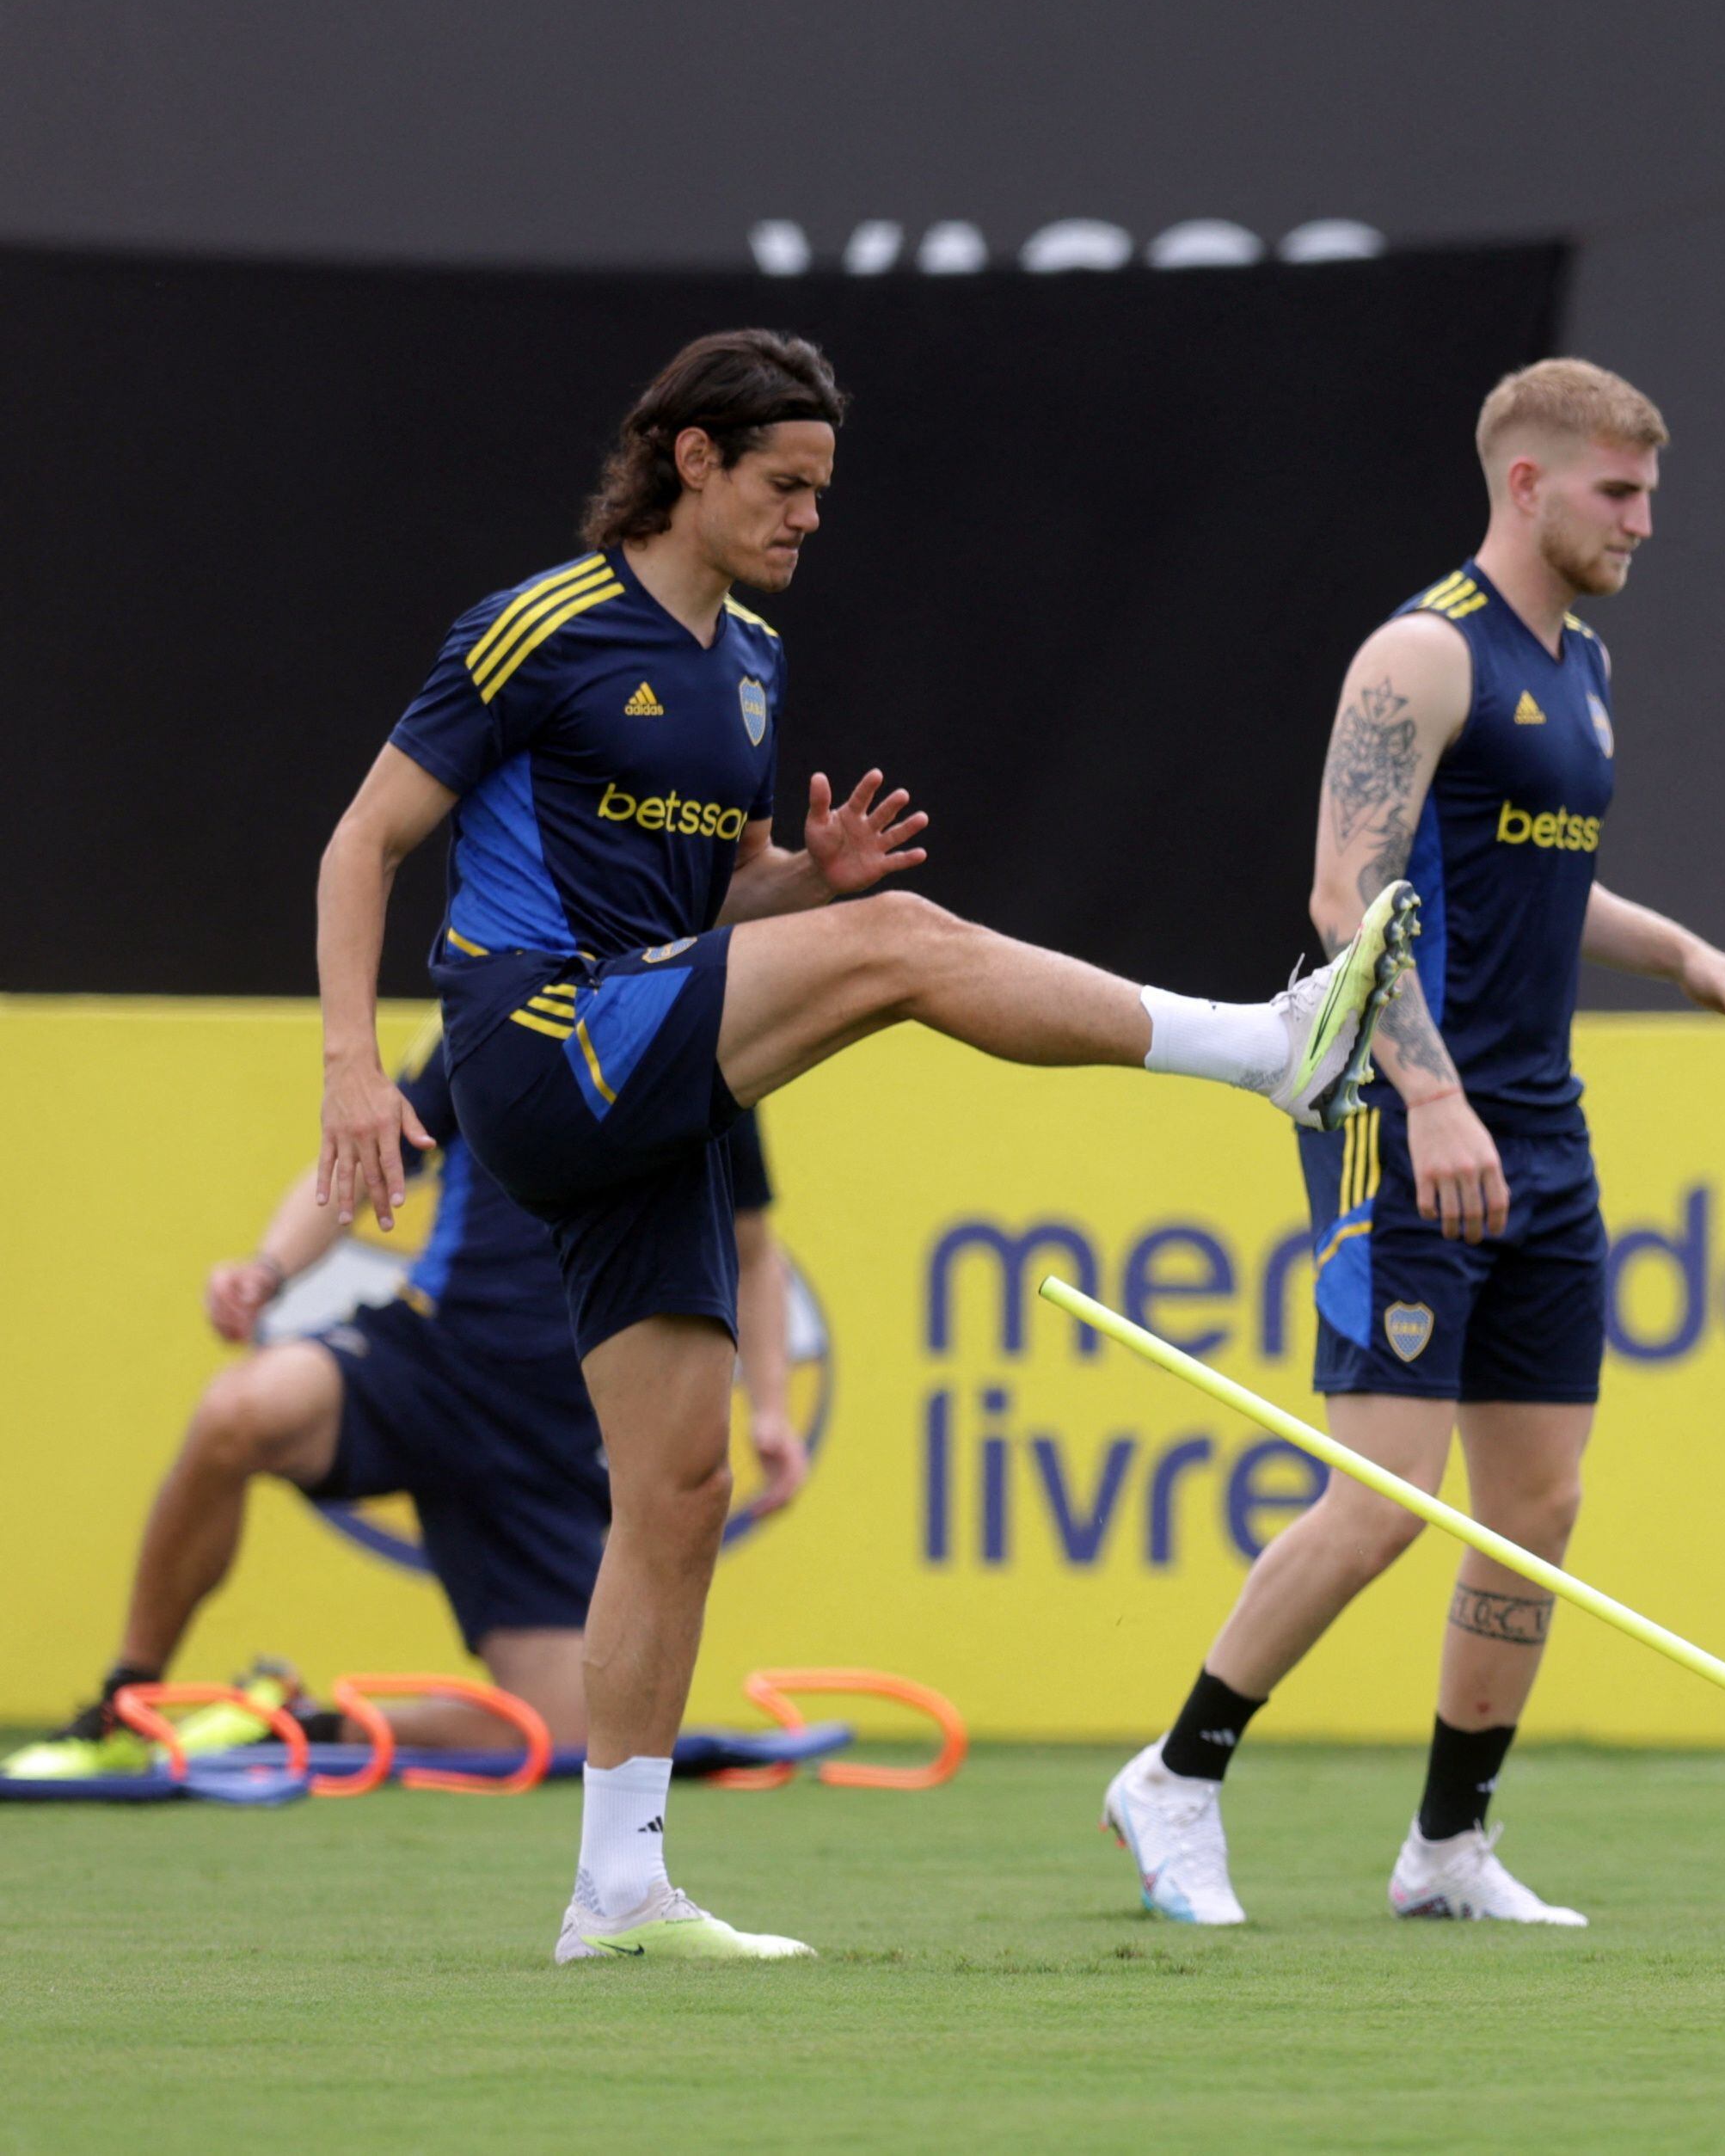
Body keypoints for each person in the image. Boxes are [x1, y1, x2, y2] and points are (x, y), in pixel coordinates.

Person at [312, 329, 1416, 1964]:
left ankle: (615, 1890)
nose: (809, 516)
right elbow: (366, 838)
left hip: (650, 1065)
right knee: (902, 945)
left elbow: (698, 907)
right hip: (539, 1042)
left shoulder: (747, 661)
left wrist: (792, 883)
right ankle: (1267, 1048)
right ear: (688, 457)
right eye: (782, 483)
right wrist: (350, 1066)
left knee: (676, 1489)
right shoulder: (539, 623)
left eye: (823, 491)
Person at [1101, 359, 1725, 1929]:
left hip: (1538, 1127)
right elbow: (1343, 899)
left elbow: (1551, 883)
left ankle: (1446, 1844)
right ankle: (1175, 1774)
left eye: (1648, 493)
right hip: (1397, 1115)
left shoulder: (1589, 664)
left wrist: (1687, 955)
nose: (1642, 521)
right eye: (1617, 493)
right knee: (1381, 1496)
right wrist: (1429, 1095)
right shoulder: (1421, 654)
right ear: (1527, 484)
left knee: (1536, 1511)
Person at [4, 1047, 798, 1781]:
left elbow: (753, 1251)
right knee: (236, 1410)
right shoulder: (502, 1016)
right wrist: (267, 1267)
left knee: (571, 1740)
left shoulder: (704, 1040)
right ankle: (127, 1703)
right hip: (432, 1361)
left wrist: (770, 1411)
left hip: (555, 1438)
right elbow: (358, 1165)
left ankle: (302, 1728)